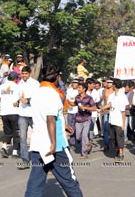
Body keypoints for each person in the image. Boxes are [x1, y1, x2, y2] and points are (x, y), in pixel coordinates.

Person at [25, 65, 83, 197]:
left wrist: (63, 125)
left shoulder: (36, 93)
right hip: (55, 146)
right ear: (57, 78)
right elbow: (50, 118)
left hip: (38, 145)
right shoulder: (52, 94)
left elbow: (45, 116)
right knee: (69, 180)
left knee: (35, 182)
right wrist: (52, 143)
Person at [17, 66, 40, 170]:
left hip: (33, 114)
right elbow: (18, 96)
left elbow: (38, 97)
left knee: (39, 136)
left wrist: (29, 100)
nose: (24, 76)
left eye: (26, 74)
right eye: (23, 74)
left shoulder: (35, 83)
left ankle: (43, 159)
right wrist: (16, 101)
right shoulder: (20, 83)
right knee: (22, 138)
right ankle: (25, 161)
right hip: (22, 114)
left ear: (30, 73)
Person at [101, 78, 129, 162]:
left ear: (115, 85)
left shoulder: (122, 96)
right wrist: (103, 108)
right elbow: (109, 104)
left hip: (119, 121)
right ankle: (117, 150)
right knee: (113, 139)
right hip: (111, 120)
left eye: (112, 84)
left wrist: (123, 124)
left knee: (119, 138)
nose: (111, 85)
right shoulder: (112, 95)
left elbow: (123, 111)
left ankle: (121, 154)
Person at [0, 72, 20, 158]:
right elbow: (21, 99)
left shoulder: (1, 86)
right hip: (14, 112)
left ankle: (4, 147)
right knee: (16, 132)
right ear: (16, 79)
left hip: (4, 113)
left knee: (7, 131)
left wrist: (4, 102)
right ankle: (14, 152)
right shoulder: (17, 87)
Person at [72, 82, 97, 158]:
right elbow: (74, 103)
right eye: (78, 88)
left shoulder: (89, 98)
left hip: (87, 119)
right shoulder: (77, 97)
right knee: (77, 137)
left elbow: (94, 108)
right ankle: (88, 143)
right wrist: (67, 103)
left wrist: (86, 108)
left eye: (79, 88)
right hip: (78, 119)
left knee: (84, 136)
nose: (78, 89)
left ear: (84, 89)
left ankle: (84, 153)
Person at [66, 78, 80, 147]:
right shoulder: (69, 91)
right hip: (70, 111)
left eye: (76, 83)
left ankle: (77, 138)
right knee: (69, 126)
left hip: (77, 111)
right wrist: (68, 105)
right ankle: (72, 141)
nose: (74, 84)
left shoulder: (79, 91)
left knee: (75, 126)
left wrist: (74, 104)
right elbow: (66, 99)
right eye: (73, 83)